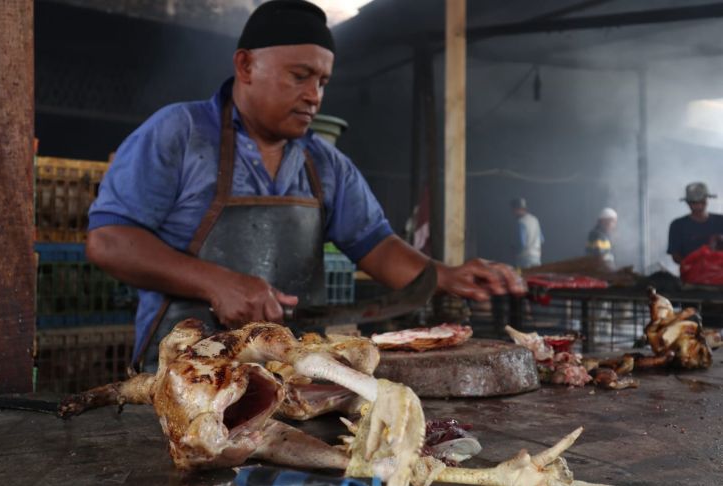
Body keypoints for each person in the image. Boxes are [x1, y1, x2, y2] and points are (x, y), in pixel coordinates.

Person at [85, 0, 524, 371]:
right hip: (186, 372)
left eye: (323, 82)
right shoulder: (178, 133)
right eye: (300, 76)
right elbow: (110, 241)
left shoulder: (325, 164)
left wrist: (443, 276)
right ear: (245, 65)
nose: (315, 95)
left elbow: (377, 246)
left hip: (292, 372)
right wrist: (216, 282)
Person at [668, 182, 723, 264]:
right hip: (691, 273)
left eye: (701, 201)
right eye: (694, 202)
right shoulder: (677, 225)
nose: (699, 205)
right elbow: (675, 254)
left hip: (719, 271)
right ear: (688, 203)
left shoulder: (720, 221)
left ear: (706, 200)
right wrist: (692, 266)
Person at [511, 197, 543, 268]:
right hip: (536, 257)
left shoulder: (521, 222)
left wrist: (514, 251)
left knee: (523, 278)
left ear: (518, 209)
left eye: (514, 209)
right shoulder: (535, 220)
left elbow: (521, 243)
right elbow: (541, 239)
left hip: (524, 258)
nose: (513, 212)